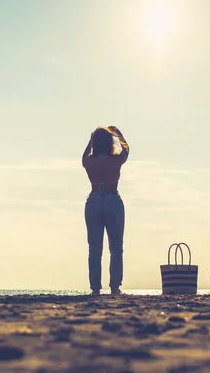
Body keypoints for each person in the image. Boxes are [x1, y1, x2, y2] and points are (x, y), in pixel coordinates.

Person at [82, 126, 130, 296]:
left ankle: (95, 288)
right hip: (112, 199)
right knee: (116, 248)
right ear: (110, 143)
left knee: (94, 248)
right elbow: (127, 149)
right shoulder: (116, 160)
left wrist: (91, 139)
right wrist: (119, 134)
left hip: (94, 199)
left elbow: (84, 155)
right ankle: (115, 288)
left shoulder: (89, 161)